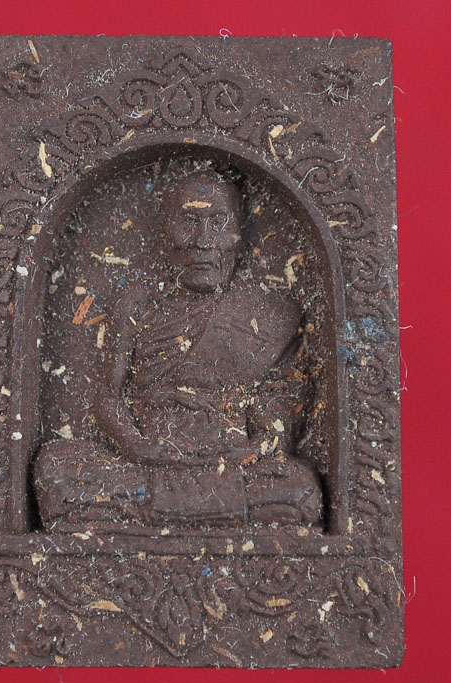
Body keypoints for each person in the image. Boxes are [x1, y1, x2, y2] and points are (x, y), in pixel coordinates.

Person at [34, 170, 322, 529]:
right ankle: (215, 511)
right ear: (165, 231)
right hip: (150, 460)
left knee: (301, 488)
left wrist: (250, 451)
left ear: (239, 234)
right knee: (54, 469)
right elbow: (108, 397)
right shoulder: (136, 303)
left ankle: (149, 511)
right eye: (189, 221)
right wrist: (136, 445)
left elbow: (279, 413)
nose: (203, 241)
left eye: (218, 222)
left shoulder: (270, 316)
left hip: (227, 463)